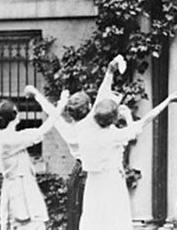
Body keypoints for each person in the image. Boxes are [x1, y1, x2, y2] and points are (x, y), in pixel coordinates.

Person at [77, 84, 177, 230]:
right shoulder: (114, 136)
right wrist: (167, 101)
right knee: (116, 220)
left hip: (93, 182)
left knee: (94, 219)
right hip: (111, 180)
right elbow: (146, 120)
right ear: (114, 119)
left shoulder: (84, 130)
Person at [50, 55, 124, 230]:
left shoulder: (67, 129)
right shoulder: (90, 125)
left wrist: (61, 102)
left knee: (78, 218)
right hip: (94, 176)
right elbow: (103, 94)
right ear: (90, 109)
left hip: (78, 174)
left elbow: (53, 116)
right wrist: (110, 71)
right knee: (99, 219)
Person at [0, 86, 69, 230]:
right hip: (20, 190)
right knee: (27, 224)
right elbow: (44, 129)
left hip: (20, 187)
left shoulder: (4, 137)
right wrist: (61, 104)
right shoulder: (9, 139)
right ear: (14, 117)